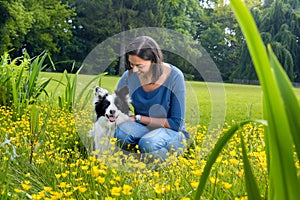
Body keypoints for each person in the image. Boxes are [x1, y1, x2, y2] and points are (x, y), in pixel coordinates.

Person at [115, 36, 190, 162]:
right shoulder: (128, 76)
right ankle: (137, 157)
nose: (134, 70)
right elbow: (117, 107)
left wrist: (138, 118)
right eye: (131, 64)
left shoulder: (175, 76)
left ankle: (171, 160)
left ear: (154, 61)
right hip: (142, 127)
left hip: (171, 130)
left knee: (148, 143)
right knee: (121, 133)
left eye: (139, 66)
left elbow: (175, 123)